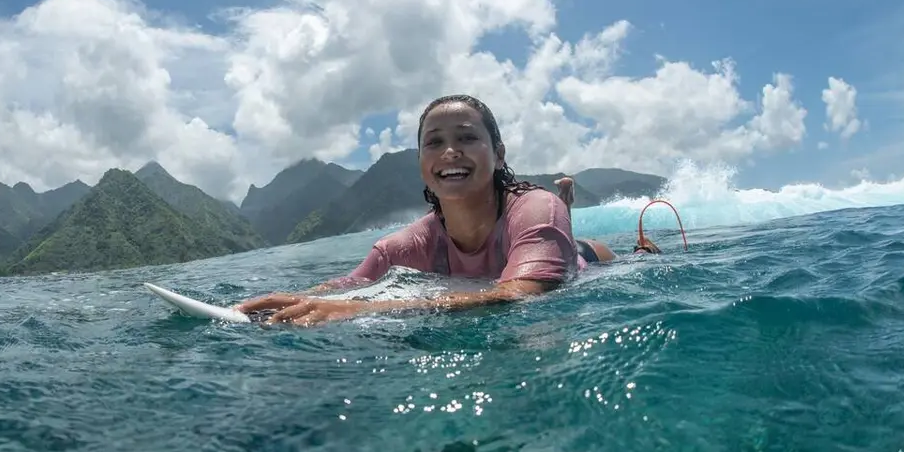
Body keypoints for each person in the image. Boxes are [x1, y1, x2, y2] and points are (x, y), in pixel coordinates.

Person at [235, 94, 645, 326]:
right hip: (533, 249)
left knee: (611, 263)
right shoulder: (400, 247)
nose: (450, 151)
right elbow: (349, 284)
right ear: (421, 161)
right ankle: (561, 232)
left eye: (467, 137)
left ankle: (599, 240)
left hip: (585, 263)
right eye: (434, 143)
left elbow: (521, 295)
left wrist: (361, 310)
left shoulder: (536, 206)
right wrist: (296, 299)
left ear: (498, 154)